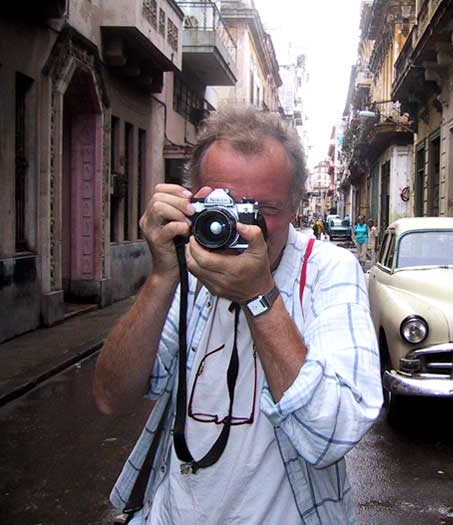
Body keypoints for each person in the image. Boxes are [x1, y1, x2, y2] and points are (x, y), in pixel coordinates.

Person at [93, 109, 382, 525]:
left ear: (297, 202)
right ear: (193, 200)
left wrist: (260, 297)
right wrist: (161, 277)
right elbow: (110, 397)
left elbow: (331, 435)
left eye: (265, 208)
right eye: (224, 205)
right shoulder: (188, 270)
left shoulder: (328, 271)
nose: (246, 225)